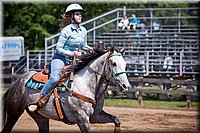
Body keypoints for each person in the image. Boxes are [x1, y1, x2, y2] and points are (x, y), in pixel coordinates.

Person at [28, 3, 93, 112]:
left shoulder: (83, 30)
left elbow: (83, 45)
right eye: (77, 14)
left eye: (80, 14)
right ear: (71, 16)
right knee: (55, 78)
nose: (80, 16)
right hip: (60, 58)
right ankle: (40, 100)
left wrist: (90, 49)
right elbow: (58, 49)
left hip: (73, 60)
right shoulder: (66, 31)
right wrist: (72, 54)